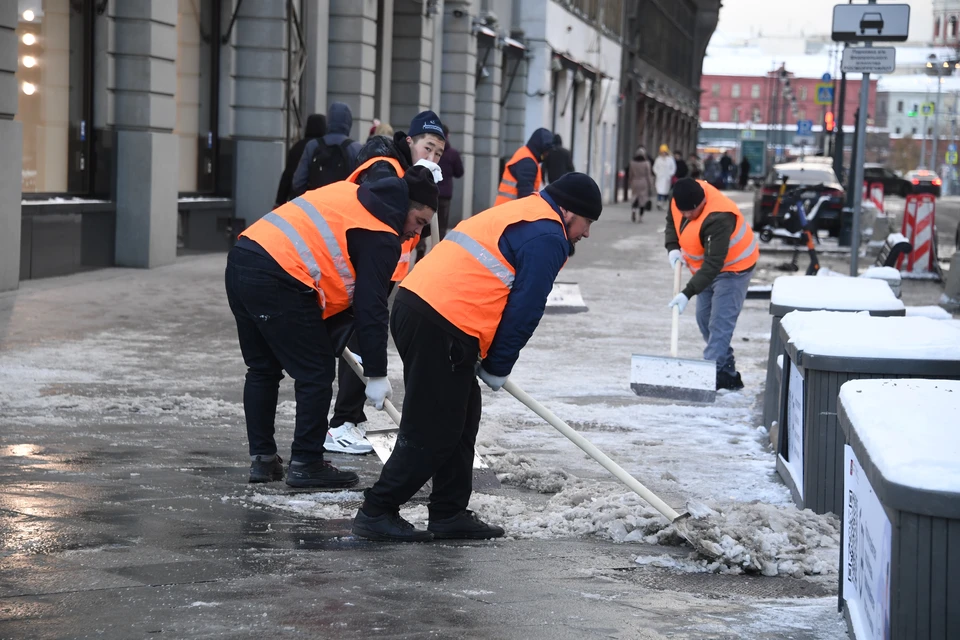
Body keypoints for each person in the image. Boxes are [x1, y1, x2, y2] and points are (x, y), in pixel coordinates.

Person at [352, 172, 603, 542]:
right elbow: (525, 308)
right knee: (435, 428)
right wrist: (499, 364)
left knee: (463, 416)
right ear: (567, 212)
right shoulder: (548, 235)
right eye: (587, 222)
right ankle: (377, 510)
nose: (587, 233)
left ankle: (449, 512)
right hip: (443, 323)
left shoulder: (526, 212)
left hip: (422, 309)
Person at [225, 167, 439, 487]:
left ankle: (263, 460)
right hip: (279, 276)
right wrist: (377, 373)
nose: (417, 233)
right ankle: (306, 463)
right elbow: (372, 307)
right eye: (419, 221)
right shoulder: (381, 233)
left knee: (262, 368)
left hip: (243, 258)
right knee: (316, 372)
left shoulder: (350, 193)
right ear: (403, 206)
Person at [324, 111, 447, 455]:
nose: (432, 157)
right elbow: (377, 208)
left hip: (386, 270)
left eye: (438, 153)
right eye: (428, 147)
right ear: (410, 142)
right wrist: (414, 179)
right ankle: (341, 424)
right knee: (360, 342)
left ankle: (350, 418)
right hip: (360, 268)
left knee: (361, 340)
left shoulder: (408, 173)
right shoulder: (385, 169)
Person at [665, 178, 759, 391]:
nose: (687, 216)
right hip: (704, 269)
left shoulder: (719, 216)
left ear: (703, 201)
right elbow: (672, 221)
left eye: (692, 211)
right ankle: (727, 372)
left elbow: (715, 263)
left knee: (719, 323)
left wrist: (687, 293)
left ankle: (709, 376)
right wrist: (672, 246)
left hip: (734, 269)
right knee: (704, 318)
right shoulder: (680, 196)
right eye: (684, 211)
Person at [291, 102, 364, 198]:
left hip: (316, 207)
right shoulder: (356, 148)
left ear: (328, 120)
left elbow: (298, 183)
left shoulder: (312, 146)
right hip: (343, 207)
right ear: (349, 122)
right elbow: (362, 184)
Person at [494, 128, 555, 206]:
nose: (547, 154)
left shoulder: (525, 155)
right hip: (510, 212)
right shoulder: (528, 162)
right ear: (541, 148)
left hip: (506, 209)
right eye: (547, 151)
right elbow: (525, 195)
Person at [275, 114, 326, 206]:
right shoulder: (324, 148)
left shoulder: (297, 147)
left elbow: (287, 176)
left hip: (297, 201)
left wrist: (279, 201)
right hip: (318, 202)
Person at [436, 124, 464, 239]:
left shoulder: (429, 150)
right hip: (445, 194)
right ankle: (438, 248)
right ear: (447, 136)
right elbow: (459, 173)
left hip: (428, 191)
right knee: (442, 224)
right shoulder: (453, 153)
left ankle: (421, 246)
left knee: (424, 222)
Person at [629, 146, 654, 223]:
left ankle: (633, 210)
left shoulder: (632, 163)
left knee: (634, 197)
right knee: (643, 200)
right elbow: (648, 175)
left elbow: (630, 174)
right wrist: (651, 184)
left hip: (635, 181)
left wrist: (630, 181)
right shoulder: (646, 163)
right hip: (644, 182)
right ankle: (640, 217)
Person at [652, 144, 676, 210]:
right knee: (659, 190)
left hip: (667, 178)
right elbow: (655, 167)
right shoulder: (658, 159)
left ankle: (665, 202)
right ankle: (659, 202)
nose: (663, 154)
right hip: (659, 178)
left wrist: (670, 174)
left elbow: (673, 168)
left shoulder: (670, 159)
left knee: (666, 191)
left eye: (664, 152)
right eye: (662, 152)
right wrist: (657, 173)